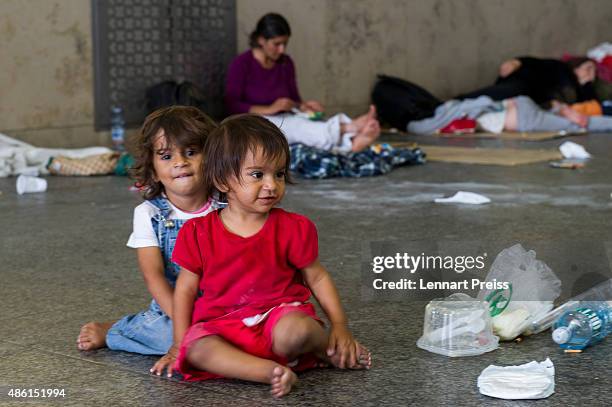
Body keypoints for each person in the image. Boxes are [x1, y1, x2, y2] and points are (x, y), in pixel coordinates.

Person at [150, 114, 371, 397]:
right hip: (223, 329)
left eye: (278, 174)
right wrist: (178, 344)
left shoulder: (294, 227)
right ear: (222, 180)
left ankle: (325, 347)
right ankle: (271, 373)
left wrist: (340, 327)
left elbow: (316, 277)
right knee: (196, 348)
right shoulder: (197, 232)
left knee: (297, 331)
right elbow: (185, 291)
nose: (271, 185)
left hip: (279, 319)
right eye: (257, 175)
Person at [76, 106, 221, 357]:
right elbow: (154, 277)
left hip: (229, 302)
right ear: (153, 169)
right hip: (174, 306)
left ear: (212, 157)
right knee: (172, 339)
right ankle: (119, 330)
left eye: (191, 152)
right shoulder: (149, 214)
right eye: (166, 156)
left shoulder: (228, 203)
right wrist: (184, 321)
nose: (180, 162)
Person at [225, 13, 380, 153]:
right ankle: (350, 128)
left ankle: (352, 143)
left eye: (285, 44)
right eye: (277, 44)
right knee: (295, 128)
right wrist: (270, 109)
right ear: (261, 40)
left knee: (310, 122)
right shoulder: (242, 64)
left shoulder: (286, 63)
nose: (282, 50)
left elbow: (294, 99)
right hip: (254, 122)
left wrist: (304, 107)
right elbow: (232, 105)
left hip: (286, 116)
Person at [407, 95, 612, 134]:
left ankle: (564, 110)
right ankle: (562, 109)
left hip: (522, 115)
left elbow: (416, 128)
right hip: (518, 104)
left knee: (578, 124)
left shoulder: (442, 117)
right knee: (574, 120)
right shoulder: (452, 107)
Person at [456, 56, 597, 108]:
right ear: (577, 65)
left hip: (534, 102)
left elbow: (592, 104)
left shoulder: (581, 91)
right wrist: (517, 62)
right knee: (508, 92)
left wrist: (587, 83)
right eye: (588, 68)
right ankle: (456, 102)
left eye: (594, 72)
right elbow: (538, 63)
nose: (590, 73)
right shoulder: (562, 68)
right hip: (526, 83)